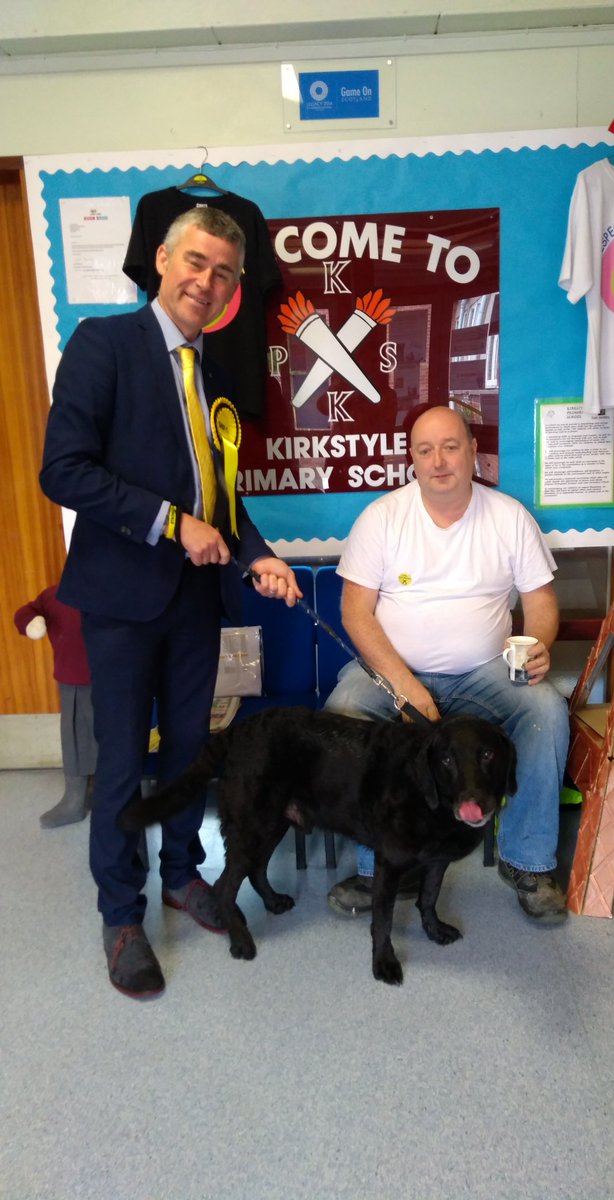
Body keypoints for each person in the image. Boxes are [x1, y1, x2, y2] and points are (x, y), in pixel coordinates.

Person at [40, 207, 302, 1000]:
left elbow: (219, 498)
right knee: (123, 763)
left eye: (224, 272)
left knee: (191, 755)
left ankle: (184, 875)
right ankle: (121, 916)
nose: (206, 281)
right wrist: (169, 522)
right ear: (161, 259)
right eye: (196, 262)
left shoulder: (212, 374)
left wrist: (256, 554)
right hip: (121, 601)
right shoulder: (103, 345)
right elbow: (63, 470)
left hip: (196, 601)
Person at [324, 404, 570, 923]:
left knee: (546, 711)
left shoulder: (509, 517)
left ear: (472, 451)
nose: (438, 461)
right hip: (390, 673)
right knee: (344, 713)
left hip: (486, 671)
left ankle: (527, 862)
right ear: (412, 459)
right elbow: (355, 613)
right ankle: (380, 867)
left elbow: (541, 602)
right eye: (425, 450)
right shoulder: (382, 517)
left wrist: (538, 644)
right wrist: (404, 685)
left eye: (450, 447)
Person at [14, 585, 96, 829]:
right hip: (74, 681)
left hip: (118, 680)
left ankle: (110, 795)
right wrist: (33, 622)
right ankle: (75, 798)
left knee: (117, 742)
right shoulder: (56, 594)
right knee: (75, 740)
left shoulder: (119, 586)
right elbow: (25, 612)